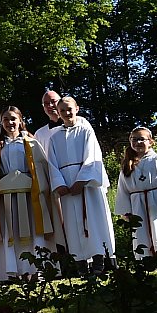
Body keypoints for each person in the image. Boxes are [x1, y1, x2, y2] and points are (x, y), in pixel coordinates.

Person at [0, 106, 65, 282]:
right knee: (11, 235)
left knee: (34, 233)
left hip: (31, 198)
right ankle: (14, 272)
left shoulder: (31, 143)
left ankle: (36, 270)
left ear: (20, 120)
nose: (10, 123)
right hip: (8, 201)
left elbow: (42, 170)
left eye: (13, 119)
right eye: (5, 119)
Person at [50, 95, 116, 271]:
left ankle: (98, 260)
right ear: (58, 113)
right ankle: (80, 263)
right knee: (73, 225)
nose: (66, 113)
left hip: (86, 186)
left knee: (92, 221)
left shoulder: (86, 131)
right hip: (66, 186)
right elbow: (52, 163)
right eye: (62, 110)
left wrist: (81, 181)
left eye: (69, 109)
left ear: (77, 109)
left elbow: (92, 156)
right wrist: (59, 183)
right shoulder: (54, 138)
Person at [116, 126, 157, 261]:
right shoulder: (127, 164)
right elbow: (122, 188)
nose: (138, 143)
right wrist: (126, 210)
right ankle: (145, 259)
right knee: (140, 231)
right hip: (137, 202)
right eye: (134, 140)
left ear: (150, 141)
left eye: (142, 139)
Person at [36, 89, 65, 155]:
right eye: (46, 103)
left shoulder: (78, 123)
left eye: (53, 101)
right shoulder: (39, 134)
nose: (50, 105)